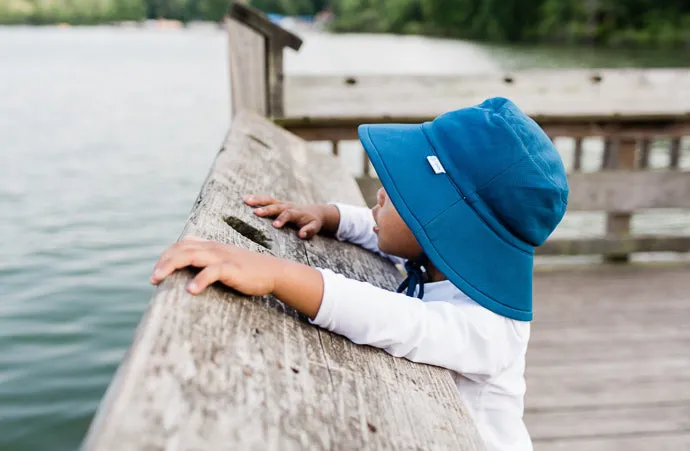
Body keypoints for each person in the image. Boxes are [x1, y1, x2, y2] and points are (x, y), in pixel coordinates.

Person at [150, 97, 569, 451]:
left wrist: (277, 274)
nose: (381, 192)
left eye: (402, 191)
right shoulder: (441, 263)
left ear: (443, 228)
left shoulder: (490, 329)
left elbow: (394, 319)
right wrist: (328, 215)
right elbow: (380, 228)